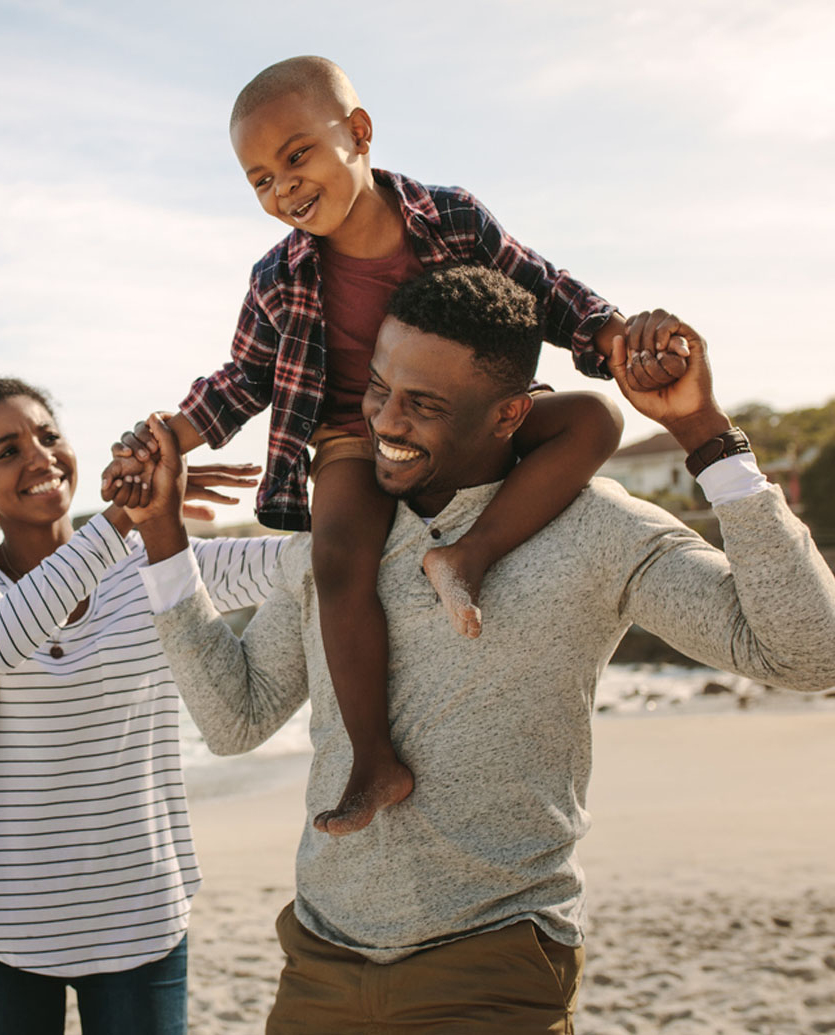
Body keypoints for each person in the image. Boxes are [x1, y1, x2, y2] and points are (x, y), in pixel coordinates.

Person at [130, 266, 835, 1033]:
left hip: (493, 969)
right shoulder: (343, 537)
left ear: (509, 414)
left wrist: (704, 434)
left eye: (424, 405)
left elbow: (808, 653)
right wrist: (164, 535)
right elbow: (236, 720)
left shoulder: (594, 528)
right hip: (320, 966)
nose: (385, 424)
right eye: (377, 389)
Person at [105, 55, 690, 837]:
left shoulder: (451, 218)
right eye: (259, 181)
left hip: (463, 421)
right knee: (338, 557)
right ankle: (374, 759)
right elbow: (242, 378)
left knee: (595, 423)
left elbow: (545, 289)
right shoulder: (277, 277)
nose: (283, 189)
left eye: (296, 156)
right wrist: (166, 435)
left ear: (358, 132)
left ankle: (469, 555)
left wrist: (615, 336)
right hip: (353, 432)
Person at [0, 358, 282, 1035]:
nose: (39, 456)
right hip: (6, 922)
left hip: (142, 917)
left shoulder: (155, 561)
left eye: (47, 435)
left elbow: (300, 566)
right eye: (8, 451)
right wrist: (123, 519)